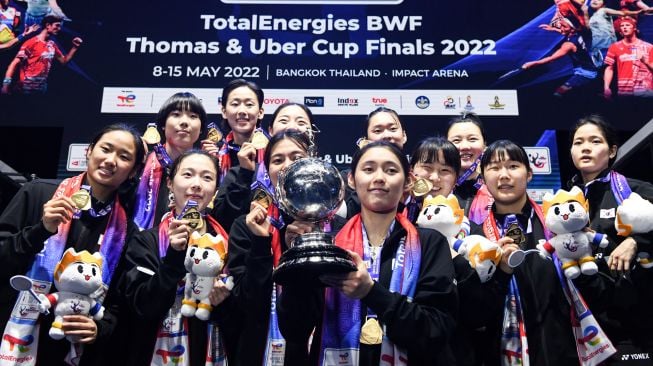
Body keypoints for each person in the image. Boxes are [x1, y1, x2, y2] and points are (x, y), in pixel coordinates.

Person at [277, 141, 458, 365]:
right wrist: (299, 269)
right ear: (351, 179)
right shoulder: (330, 246)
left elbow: (436, 330)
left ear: (408, 181)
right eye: (369, 169)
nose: (380, 177)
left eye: (391, 170)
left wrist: (372, 293)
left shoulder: (429, 243)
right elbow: (295, 330)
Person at [0, 124, 145, 365]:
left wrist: (100, 328)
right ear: (89, 151)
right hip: (13, 340)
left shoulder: (127, 231)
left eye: (124, 156)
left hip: (71, 353)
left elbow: (120, 304)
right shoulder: (39, 194)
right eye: (106, 149)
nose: (111, 161)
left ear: (133, 172)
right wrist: (41, 230)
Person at [470, 140, 578, 365]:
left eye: (512, 166)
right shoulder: (476, 238)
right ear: (482, 178)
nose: (504, 175)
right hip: (502, 353)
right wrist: (501, 272)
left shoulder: (558, 226)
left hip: (565, 349)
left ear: (529, 174)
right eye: (494, 168)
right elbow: (475, 312)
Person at [121, 150, 233, 366]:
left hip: (211, 351)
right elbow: (143, 307)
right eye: (188, 174)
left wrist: (224, 301)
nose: (197, 184)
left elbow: (242, 317)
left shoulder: (227, 242)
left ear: (216, 190)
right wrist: (173, 257)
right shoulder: (147, 241)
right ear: (170, 183)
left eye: (207, 177)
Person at [568, 114, 653, 362]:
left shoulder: (633, 190)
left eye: (595, 141)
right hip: (584, 323)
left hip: (633, 325)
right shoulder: (566, 199)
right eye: (578, 142)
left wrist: (636, 241)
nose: (586, 147)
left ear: (612, 150)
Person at [226, 130, 311, 365]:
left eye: (297, 157)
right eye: (277, 160)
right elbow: (247, 303)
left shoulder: (332, 225)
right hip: (259, 351)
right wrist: (261, 243)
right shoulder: (247, 226)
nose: (287, 166)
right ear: (267, 170)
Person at [134, 92, 208, 231]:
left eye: (193, 116)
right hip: (142, 247)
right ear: (163, 124)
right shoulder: (141, 165)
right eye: (176, 114)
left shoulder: (210, 171)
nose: (184, 122)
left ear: (201, 129)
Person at [2, 15, 82, 94]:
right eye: (57, 25)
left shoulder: (51, 44)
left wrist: (75, 47)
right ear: (48, 25)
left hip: (41, 90)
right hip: (25, 90)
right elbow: (13, 64)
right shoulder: (31, 43)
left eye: (60, 26)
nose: (59, 29)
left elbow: (64, 61)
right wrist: (5, 86)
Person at [523, 17, 599, 97]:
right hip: (588, 68)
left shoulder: (568, 45)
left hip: (586, 73)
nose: (561, 28)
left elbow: (551, 59)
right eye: (561, 25)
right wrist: (553, 29)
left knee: (558, 93)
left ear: (572, 29)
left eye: (564, 26)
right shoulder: (576, 34)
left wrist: (533, 63)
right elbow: (565, 31)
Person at [446, 113, 493, 224]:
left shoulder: (495, 187)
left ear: (485, 145)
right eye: (456, 140)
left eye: (472, 139)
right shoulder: (436, 188)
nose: (465, 146)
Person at [406, 136, 461, 222]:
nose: (435, 178)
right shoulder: (392, 213)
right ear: (411, 170)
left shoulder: (465, 223)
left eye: (445, 170)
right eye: (427, 168)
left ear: (456, 179)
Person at [603, 16, 653, 98]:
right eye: (622, 26)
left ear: (634, 28)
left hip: (645, 91)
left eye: (627, 25)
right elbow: (609, 68)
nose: (624, 27)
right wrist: (606, 87)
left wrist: (646, 62)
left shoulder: (649, 47)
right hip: (625, 91)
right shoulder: (615, 47)